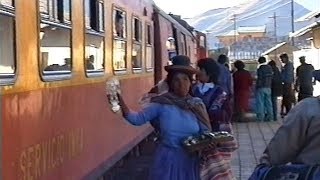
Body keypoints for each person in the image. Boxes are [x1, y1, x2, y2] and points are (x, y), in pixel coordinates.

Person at [114, 62, 212, 180]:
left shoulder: (197, 105)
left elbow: (206, 132)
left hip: (190, 162)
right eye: (176, 80)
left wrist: (208, 142)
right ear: (171, 84)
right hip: (166, 161)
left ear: (191, 83)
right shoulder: (161, 104)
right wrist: (120, 102)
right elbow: (137, 119)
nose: (181, 84)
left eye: (185, 79)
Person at [192, 58, 238, 180]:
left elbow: (227, 115)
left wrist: (205, 113)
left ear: (209, 72)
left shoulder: (220, 92)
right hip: (194, 135)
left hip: (214, 136)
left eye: (200, 69)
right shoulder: (193, 89)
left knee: (213, 170)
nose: (197, 72)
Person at [259, 96, 320, 166]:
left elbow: (279, 151)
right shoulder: (309, 108)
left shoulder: (308, 108)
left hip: (308, 173)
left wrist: (263, 167)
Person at [255, 57, 273, 122]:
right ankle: (270, 117)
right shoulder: (270, 68)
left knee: (260, 103)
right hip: (268, 87)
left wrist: (257, 86)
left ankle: (261, 118)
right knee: (269, 103)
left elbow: (259, 78)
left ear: (259, 62)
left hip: (261, 87)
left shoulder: (260, 68)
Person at [217, 54, 233, 122]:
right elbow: (229, 82)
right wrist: (230, 91)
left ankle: (218, 119)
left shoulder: (215, 68)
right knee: (226, 107)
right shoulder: (226, 69)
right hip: (224, 91)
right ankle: (226, 120)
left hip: (216, 90)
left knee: (217, 106)